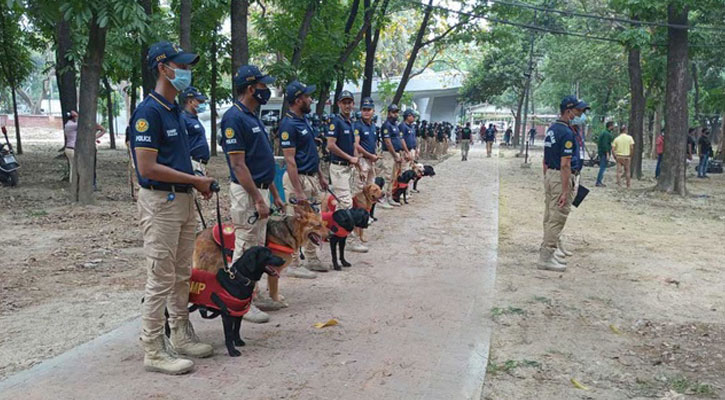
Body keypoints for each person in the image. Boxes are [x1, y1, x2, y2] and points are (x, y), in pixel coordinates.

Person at [129, 41, 215, 374]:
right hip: (160, 203)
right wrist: (193, 181)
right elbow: (147, 167)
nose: (186, 71)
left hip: (181, 200)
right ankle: (153, 347)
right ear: (163, 68)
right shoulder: (148, 112)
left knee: (181, 274)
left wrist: (194, 180)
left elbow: (174, 159)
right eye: (181, 66)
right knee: (160, 278)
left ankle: (180, 333)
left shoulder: (175, 111)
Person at [220, 64, 285, 320]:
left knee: (257, 247)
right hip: (247, 193)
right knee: (245, 247)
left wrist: (273, 193)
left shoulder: (251, 116)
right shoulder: (233, 118)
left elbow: (261, 160)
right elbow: (238, 164)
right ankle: (239, 300)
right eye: (262, 86)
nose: (265, 90)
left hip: (260, 191)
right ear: (250, 88)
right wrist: (258, 198)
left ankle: (251, 297)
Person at [279, 81, 328, 277]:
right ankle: (293, 263)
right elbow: (290, 160)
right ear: (298, 100)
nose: (310, 99)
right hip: (297, 179)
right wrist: (298, 191)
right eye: (307, 97)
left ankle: (311, 257)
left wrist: (321, 176)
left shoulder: (303, 120)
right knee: (296, 222)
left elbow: (311, 152)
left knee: (313, 221)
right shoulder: (288, 124)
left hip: (311, 177)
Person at [538, 95, 580, 272]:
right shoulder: (567, 133)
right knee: (557, 217)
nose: (578, 114)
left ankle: (549, 250)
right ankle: (546, 256)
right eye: (576, 110)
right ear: (568, 111)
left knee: (550, 215)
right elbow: (565, 164)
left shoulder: (552, 129)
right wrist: (565, 190)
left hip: (550, 175)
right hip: (559, 177)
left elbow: (545, 158)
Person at [326, 90, 359, 211]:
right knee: (345, 202)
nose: (347, 105)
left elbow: (353, 144)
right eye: (344, 102)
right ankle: (341, 229)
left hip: (349, 167)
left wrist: (356, 162)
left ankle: (339, 228)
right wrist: (350, 158)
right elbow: (330, 145)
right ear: (339, 104)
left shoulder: (351, 122)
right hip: (338, 168)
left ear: (353, 104)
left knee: (345, 200)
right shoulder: (336, 121)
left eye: (349, 102)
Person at [63, 110, 106, 187]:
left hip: (70, 148)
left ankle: (75, 184)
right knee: (80, 167)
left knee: (73, 167)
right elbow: (84, 123)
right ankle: (82, 184)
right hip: (73, 149)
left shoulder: (67, 125)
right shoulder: (73, 125)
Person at [179, 86, 210, 176]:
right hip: (192, 163)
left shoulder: (194, 118)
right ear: (190, 102)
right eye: (200, 102)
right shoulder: (183, 119)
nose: (202, 104)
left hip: (199, 164)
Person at [381, 104, 403, 206]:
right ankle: (383, 199)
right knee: (387, 176)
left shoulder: (395, 125)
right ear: (389, 113)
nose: (396, 114)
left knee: (393, 177)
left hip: (396, 154)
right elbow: (388, 142)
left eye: (397, 112)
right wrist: (395, 155)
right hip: (389, 154)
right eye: (393, 112)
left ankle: (389, 197)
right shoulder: (387, 125)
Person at [596, 121, 614, 187]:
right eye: (613, 125)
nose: (614, 127)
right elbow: (605, 144)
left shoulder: (605, 132)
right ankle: (598, 181)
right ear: (610, 126)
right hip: (604, 153)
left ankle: (599, 181)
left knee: (602, 167)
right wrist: (607, 153)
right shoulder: (606, 134)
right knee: (602, 167)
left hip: (602, 152)